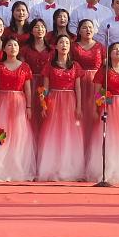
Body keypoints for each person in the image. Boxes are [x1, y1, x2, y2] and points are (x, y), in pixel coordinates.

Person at [84, 42, 119, 184]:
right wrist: (96, 107)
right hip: (109, 107)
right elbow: (98, 91)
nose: (118, 51)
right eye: (115, 49)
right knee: (109, 138)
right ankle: (106, 171)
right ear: (109, 54)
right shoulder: (104, 70)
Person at [0, 37, 36, 181]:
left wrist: (29, 107)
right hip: (2, 103)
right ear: (4, 49)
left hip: (19, 103)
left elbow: (28, 90)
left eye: (15, 45)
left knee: (19, 134)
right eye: (9, 45)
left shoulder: (25, 67)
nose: (13, 47)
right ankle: (0, 167)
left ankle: (16, 166)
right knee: (1, 133)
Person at [36, 34, 85, 181]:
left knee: (69, 133)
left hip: (70, 100)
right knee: (53, 132)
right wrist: (44, 105)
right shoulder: (49, 66)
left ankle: (69, 167)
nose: (64, 45)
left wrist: (79, 106)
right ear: (56, 46)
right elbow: (45, 88)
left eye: (67, 43)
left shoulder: (75, 66)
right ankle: (52, 167)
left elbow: (78, 88)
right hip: (54, 100)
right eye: (61, 42)